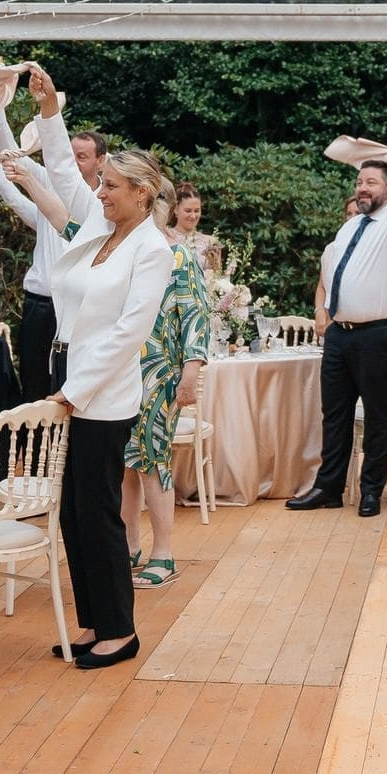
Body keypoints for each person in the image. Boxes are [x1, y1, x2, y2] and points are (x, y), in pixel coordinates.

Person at [47, 147, 181, 670]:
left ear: (141, 193)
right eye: (99, 184)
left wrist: (74, 392)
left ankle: (121, 631)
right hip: (67, 376)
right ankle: (92, 621)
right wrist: (48, 110)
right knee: (71, 512)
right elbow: (59, 170)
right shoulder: (100, 235)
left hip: (101, 394)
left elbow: (130, 333)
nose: (98, 193)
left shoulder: (152, 249)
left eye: (109, 186)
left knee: (99, 511)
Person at [291, 154, 387, 517]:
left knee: (377, 416)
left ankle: (371, 491)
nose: (362, 188)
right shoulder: (349, 228)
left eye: (370, 182)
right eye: (358, 182)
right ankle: (329, 487)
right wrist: (325, 314)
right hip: (340, 336)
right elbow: (331, 279)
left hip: (380, 335)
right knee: (333, 414)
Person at [0, 66, 103, 398]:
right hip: (42, 302)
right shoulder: (50, 180)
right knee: (36, 382)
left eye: (82, 157)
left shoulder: (104, 203)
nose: (74, 163)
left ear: (101, 161)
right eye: (73, 155)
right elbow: (10, 154)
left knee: (73, 383)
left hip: (82, 305)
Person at [127, 227, 212, 589]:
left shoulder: (180, 257)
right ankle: (129, 547)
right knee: (125, 462)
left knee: (152, 459)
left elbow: (196, 316)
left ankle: (163, 554)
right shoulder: (126, 253)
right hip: (122, 373)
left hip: (160, 373)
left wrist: (190, 374)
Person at [169, 184, 223, 274]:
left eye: (196, 211)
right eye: (188, 211)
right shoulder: (166, 237)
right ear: (176, 210)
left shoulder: (211, 241)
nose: (193, 216)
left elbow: (217, 276)